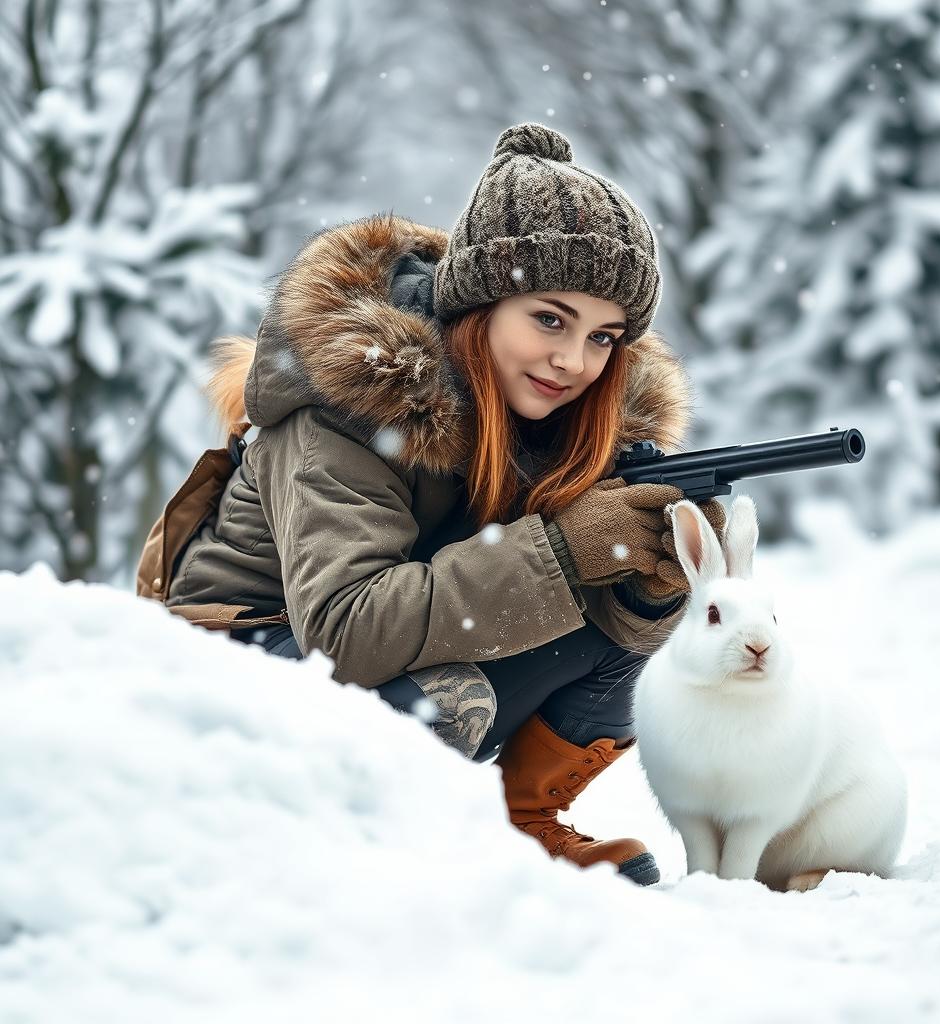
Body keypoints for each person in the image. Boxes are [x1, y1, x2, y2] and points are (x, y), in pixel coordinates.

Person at [158, 121, 726, 887]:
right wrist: (562, 551)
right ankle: (337, 849)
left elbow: (572, 613)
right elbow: (346, 629)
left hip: (371, 644)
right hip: (243, 669)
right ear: (478, 306)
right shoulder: (351, 401)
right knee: (454, 688)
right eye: (549, 319)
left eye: (603, 337)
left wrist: (646, 576)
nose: (574, 361)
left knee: (609, 596)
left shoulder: (555, 414)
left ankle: (521, 826)